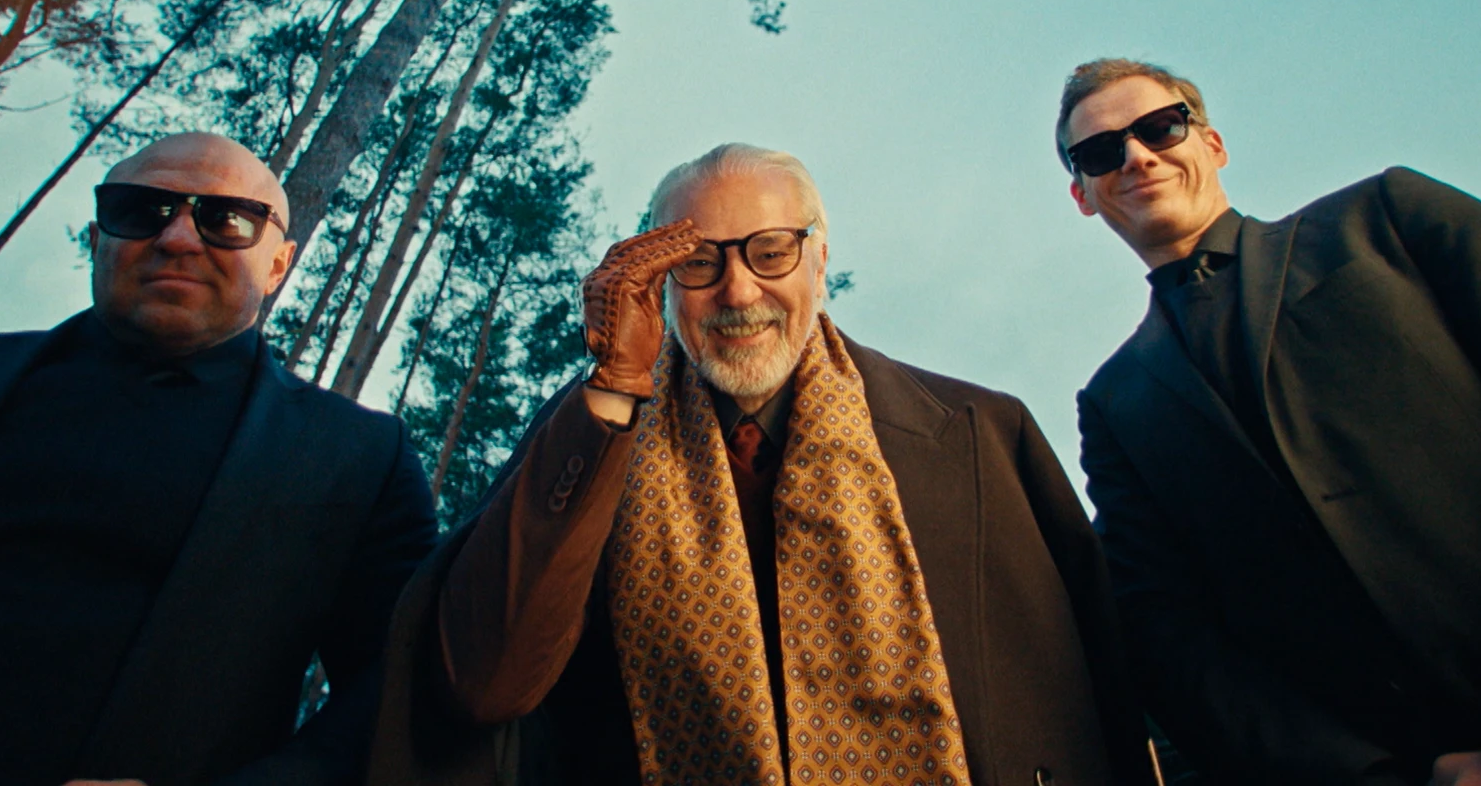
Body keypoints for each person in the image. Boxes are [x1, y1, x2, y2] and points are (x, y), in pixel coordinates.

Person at [367, 143, 1155, 786]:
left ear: (819, 260)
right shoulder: (591, 435)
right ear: (659, 284)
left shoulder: (983, 432)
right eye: (700, 263)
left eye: (770, 252)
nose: (738, 291)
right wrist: (612, 392)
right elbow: (487, 682)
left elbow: (1095, 686)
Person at [1053, 59, 1481, 786]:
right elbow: (1167, 637)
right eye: (1100, 151)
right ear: (1082, 194)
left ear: (1212, 144)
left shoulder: (1388, 220)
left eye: (1160, 127)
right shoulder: (1112, 404)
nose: (1138, 156)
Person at [0, 132, 438, 786]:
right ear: (100, 234)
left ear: (278, 265)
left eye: (227, 220)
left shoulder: (358, 461)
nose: (179, 239)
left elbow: (412, 687)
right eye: (141, 209)